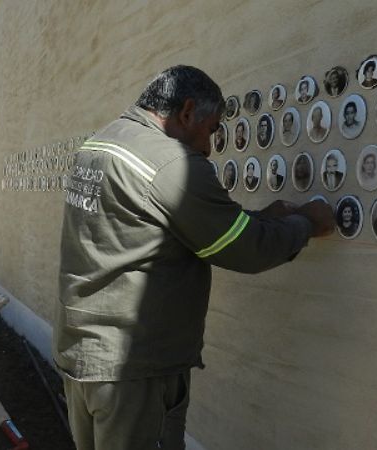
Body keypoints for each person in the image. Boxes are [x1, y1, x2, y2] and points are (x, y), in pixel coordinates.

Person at [54, 65, 335, 450]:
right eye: (213, 128)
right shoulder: (170, 162)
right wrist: (306, 223)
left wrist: (259, 218)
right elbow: (245, 250)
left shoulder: (103, 143)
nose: (210, 146)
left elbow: (163, 226)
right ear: (187, 112)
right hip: (134, 370)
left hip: (84, 354)